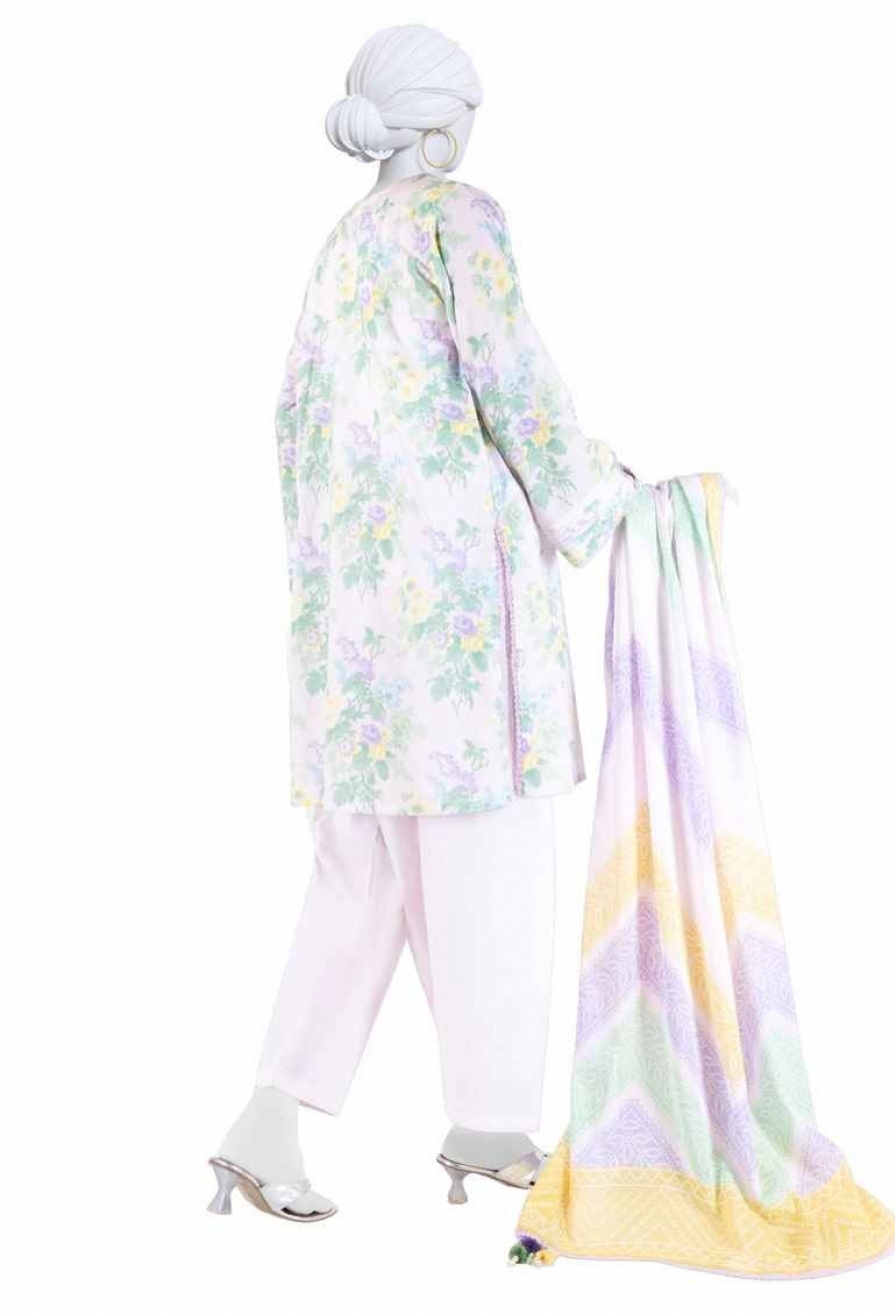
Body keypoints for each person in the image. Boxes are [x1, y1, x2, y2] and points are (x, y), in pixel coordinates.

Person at [208, 23, 638, 1223]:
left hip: (349, 627)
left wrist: (324, 589)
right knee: (486, 860)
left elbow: (291, 425)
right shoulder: (459, 219)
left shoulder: (338, 248)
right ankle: (490, 1123)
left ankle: (264, 1125)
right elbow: (513, 381)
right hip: (458, 617)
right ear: (441, 124)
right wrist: (599, 495)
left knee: (360, 879)